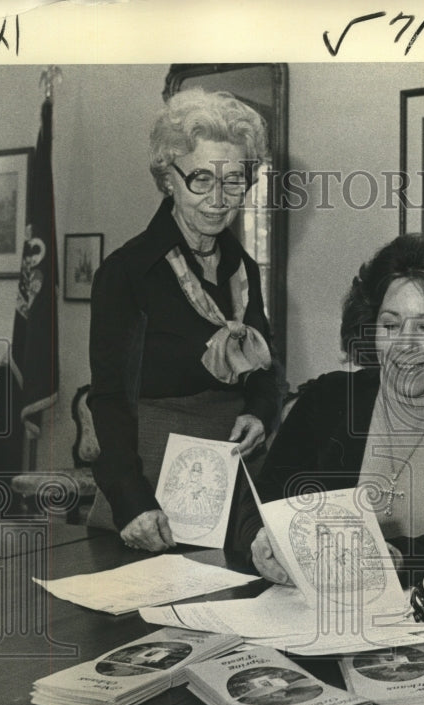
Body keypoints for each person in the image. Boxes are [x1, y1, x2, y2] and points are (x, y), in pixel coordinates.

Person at [227, 233, 424, 586]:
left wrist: (396, 560)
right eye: (391, 325)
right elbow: (261, 502)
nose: (404, 346)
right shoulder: (326, 401)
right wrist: (260, 539)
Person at [88, 88, 283, 551]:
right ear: (167, 178)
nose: (218, 199)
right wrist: (132, 501)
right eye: (200, 178)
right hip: (151, 477)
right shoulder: (127, 272)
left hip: (235, 475)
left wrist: (258, 412)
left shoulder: (245, 269)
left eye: (234, 180)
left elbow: (263, 367)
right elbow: (110, 399)